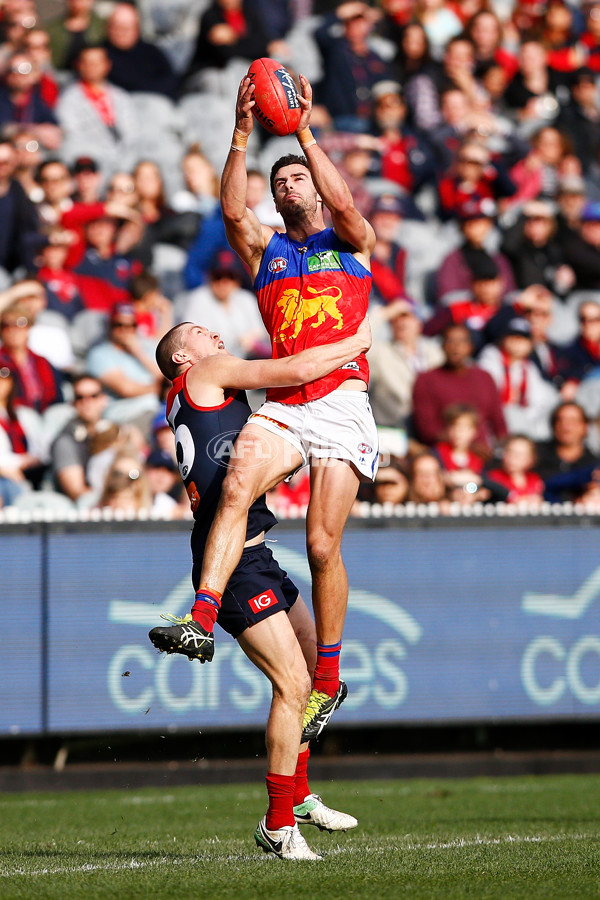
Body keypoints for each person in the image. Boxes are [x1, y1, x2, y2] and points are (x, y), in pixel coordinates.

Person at [155, 73, 379, 745]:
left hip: (340, 399)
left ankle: (330, 678)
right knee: (236, 490)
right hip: (287, 400)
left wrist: (305, 132)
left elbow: (342, 201)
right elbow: (231, 214)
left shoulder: (351, 241)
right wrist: (242, 134)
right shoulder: (268, 252)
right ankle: (200, 615)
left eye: (297, 180)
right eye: (279, 183)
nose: (288, 187)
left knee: (320, 543)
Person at [149, 318, 369, 859]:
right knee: (293, 688)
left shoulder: (195, 392)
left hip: (255, 554)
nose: (215, 338)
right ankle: (276, 825)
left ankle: (297, 797)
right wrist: (353, 344)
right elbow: (293, 368)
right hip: (234, 561)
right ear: (183, 357)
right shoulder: (207, 370)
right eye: (200, 333)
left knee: (321, 675)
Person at [412, 323, 507, 454]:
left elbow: (498, 422)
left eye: (462, 341)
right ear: (442, 346)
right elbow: (426, 428)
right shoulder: (426, 380)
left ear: (471, 346)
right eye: (450, 341)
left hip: (483, 455)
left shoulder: (484, 378)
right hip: (443, 455)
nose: (456, 346)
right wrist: (464, 446)